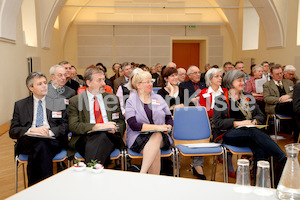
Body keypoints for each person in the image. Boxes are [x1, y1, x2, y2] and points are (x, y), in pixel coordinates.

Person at [213, 70, 286, 185]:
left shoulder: (248, 96)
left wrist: (255, 121)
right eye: (239, 81)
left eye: (243, 80)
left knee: (261, 149)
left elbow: (261, 115)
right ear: (231, 82)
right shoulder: (220, 99)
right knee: (253, 133)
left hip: (250, 133)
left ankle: (259, 184)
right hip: (230, 133)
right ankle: (282, 157)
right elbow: (217, 122)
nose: (243, 83)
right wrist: (238, 123)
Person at [9, 72, 68, 186]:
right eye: (39, 84)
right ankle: (46, 187)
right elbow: (13, 131)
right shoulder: (20, 105)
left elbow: (64, 126)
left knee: (40, 145)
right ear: (31, 88)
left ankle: (34, 189)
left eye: (45, 83)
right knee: (40, 145)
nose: (44, 86)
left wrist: (48, 132)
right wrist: (32, 130)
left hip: (52, 140)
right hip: (28, 141)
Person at [68, 68, 126, 165]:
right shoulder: (76, 101)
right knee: (100, 138)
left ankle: (91, 170)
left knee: (102, 137)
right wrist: (96, 127)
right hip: (85, 137)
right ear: (88, 82)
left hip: (110, 135)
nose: (104, 83)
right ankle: (97, 169)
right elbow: (73, 126)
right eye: (99, 80)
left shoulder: (112, 99)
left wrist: (115, 128)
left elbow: (121, 122)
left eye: (104, 79)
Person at [125, 71, 173, 174]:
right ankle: (152, 182)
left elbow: (169, 118)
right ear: (138, 85)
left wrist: (168, 126)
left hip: (161, 135)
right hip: (138, 136)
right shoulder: (131, 101)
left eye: (151, 81)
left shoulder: (158, 98)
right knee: (155, 152)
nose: (150, 84)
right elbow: (133, 125)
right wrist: (158, 127)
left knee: (156, 135)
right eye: (146, 82)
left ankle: (142, 174)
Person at [198, 68, 235, 178]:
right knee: (216, 126)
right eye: (217, 76)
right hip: (208, 120)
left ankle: (227, 162)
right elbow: (205, 110)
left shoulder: (225, 91)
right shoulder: (203, 93)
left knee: (226, 127)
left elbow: (229, 109)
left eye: (220, 76)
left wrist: (216, 111)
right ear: (210, 79)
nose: (220, 78)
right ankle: (218, 145)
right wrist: (218, 111)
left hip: (222, 120)